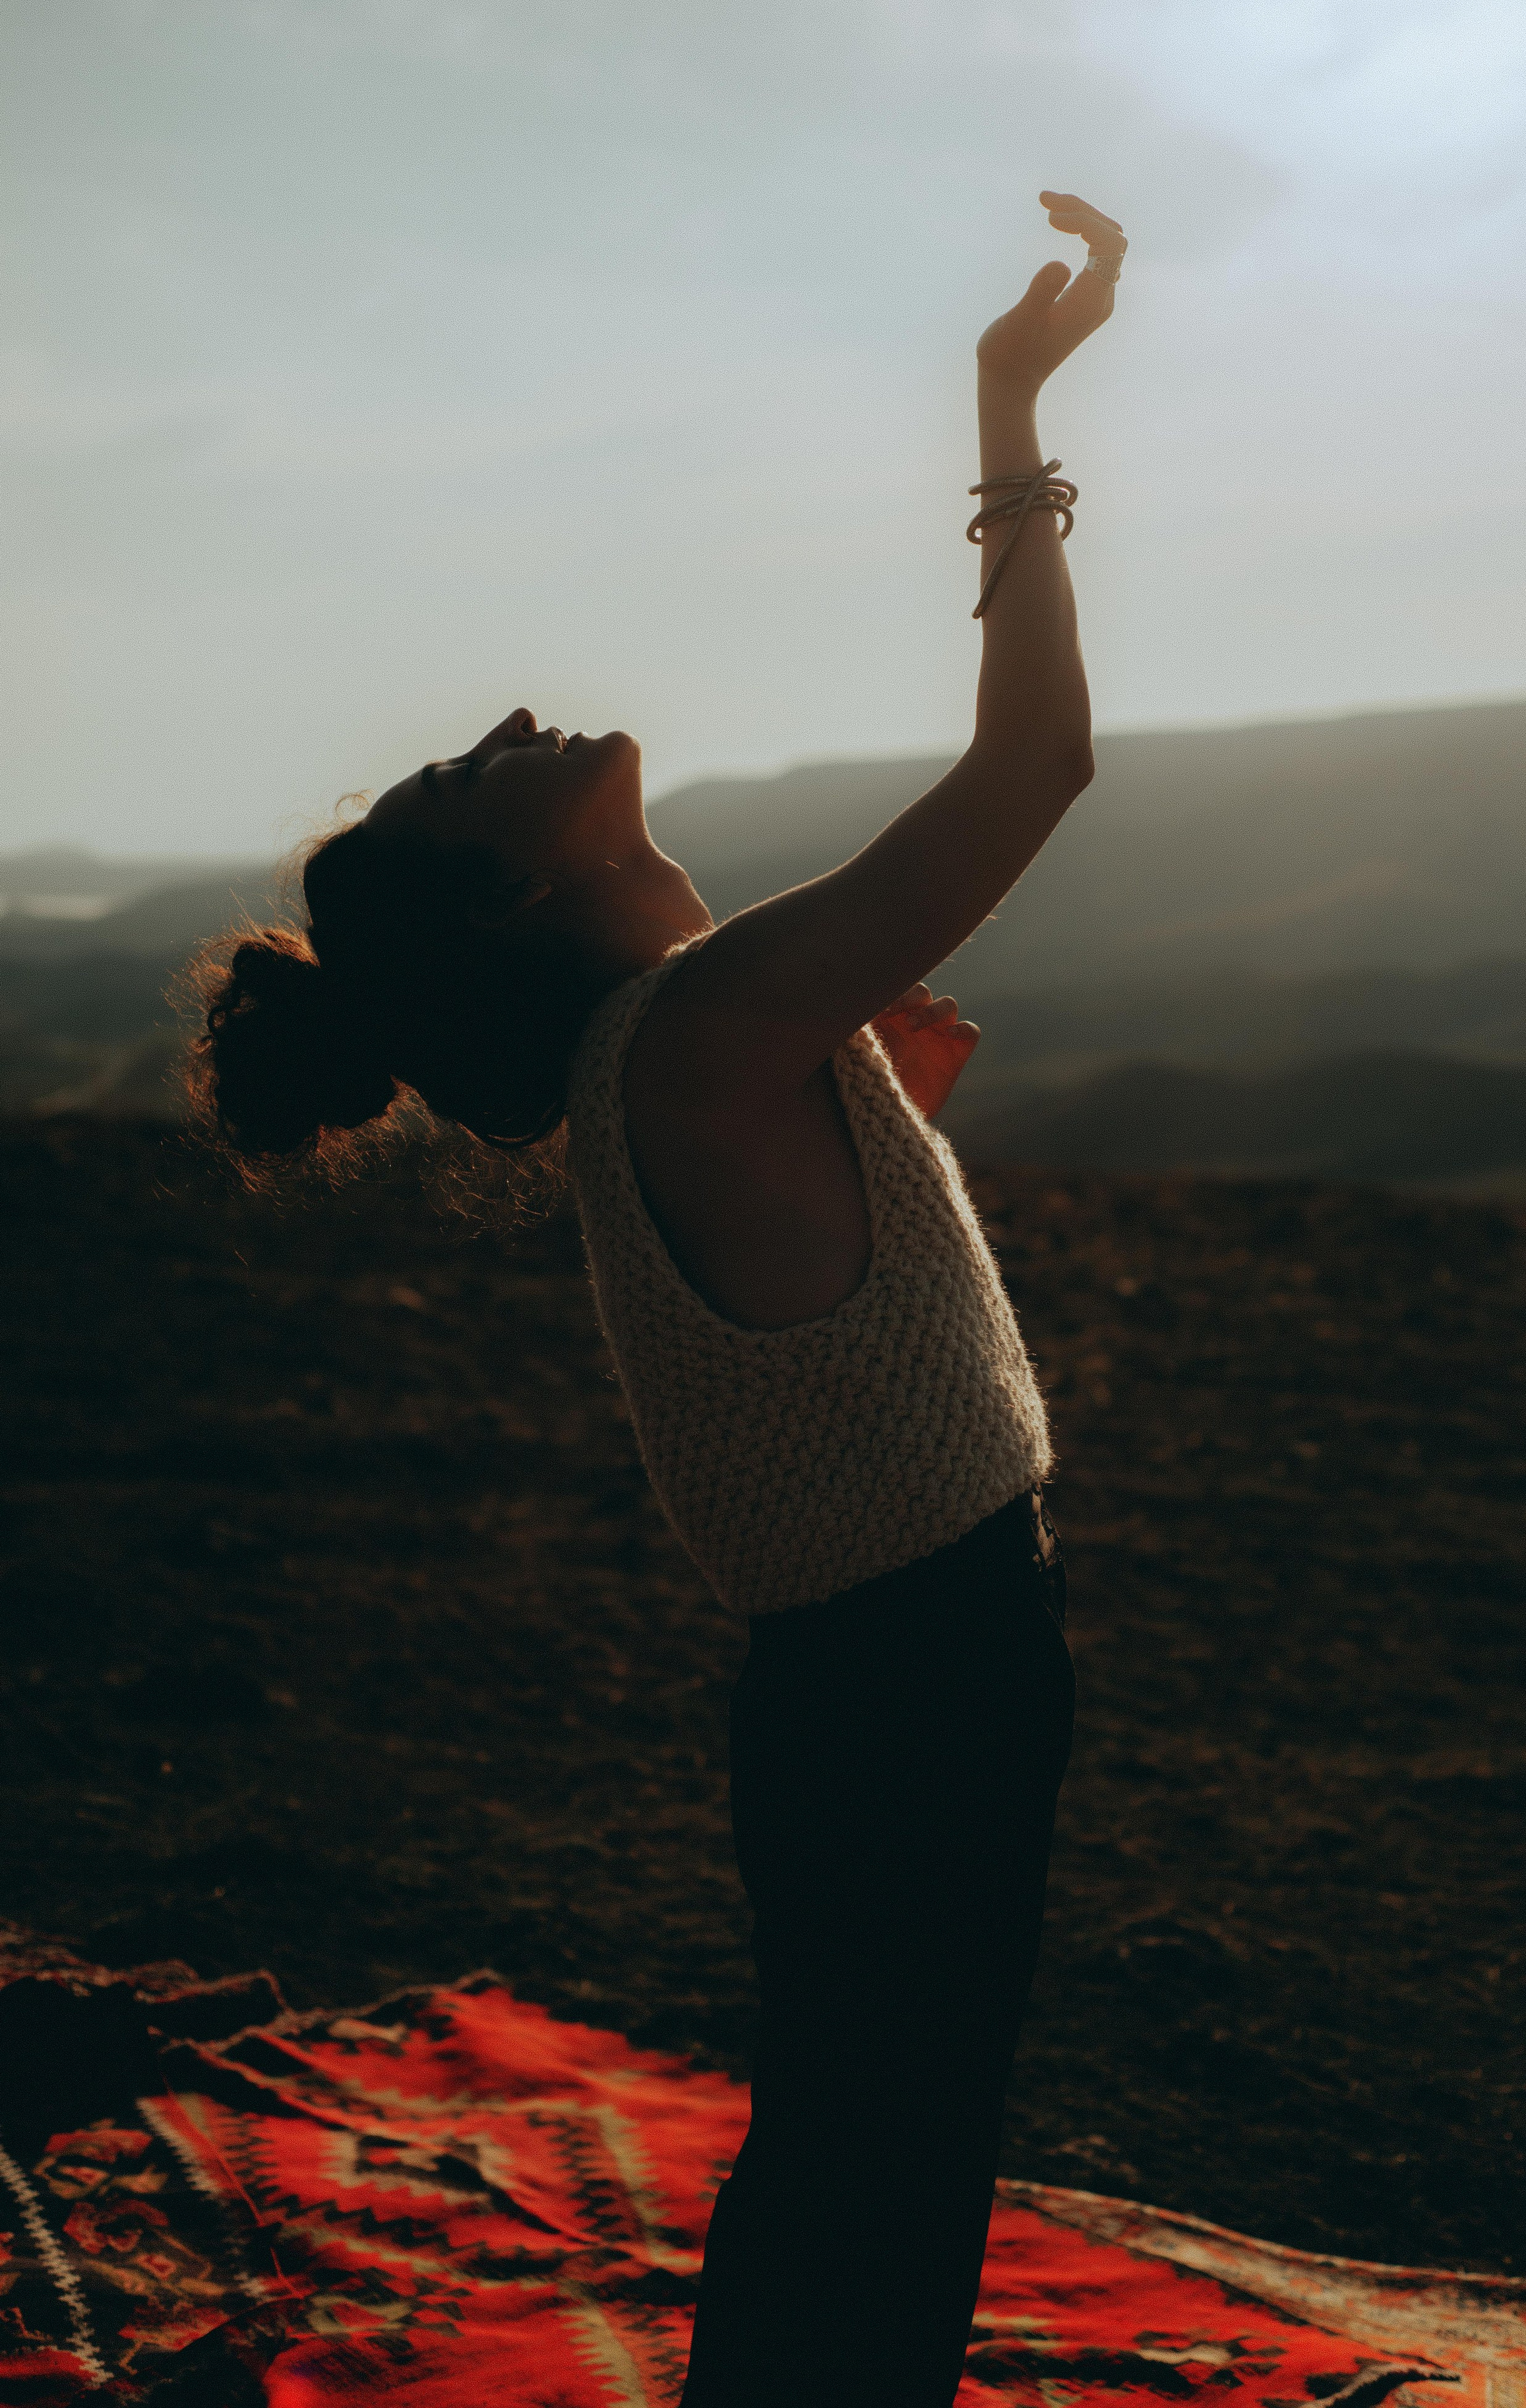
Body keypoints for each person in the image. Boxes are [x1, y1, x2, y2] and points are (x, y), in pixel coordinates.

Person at [195, 189, 1125, 2406]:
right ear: (517, 880)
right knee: (875, 2178)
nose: (513, 715)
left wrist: (885, 1103)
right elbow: (1037, 772)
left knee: (860, 2156)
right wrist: (1009, 417)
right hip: (918, 1678)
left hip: (878, 1679)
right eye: (469, 767)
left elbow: (817, 1269)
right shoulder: (691, 1031)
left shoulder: (682, 1047)